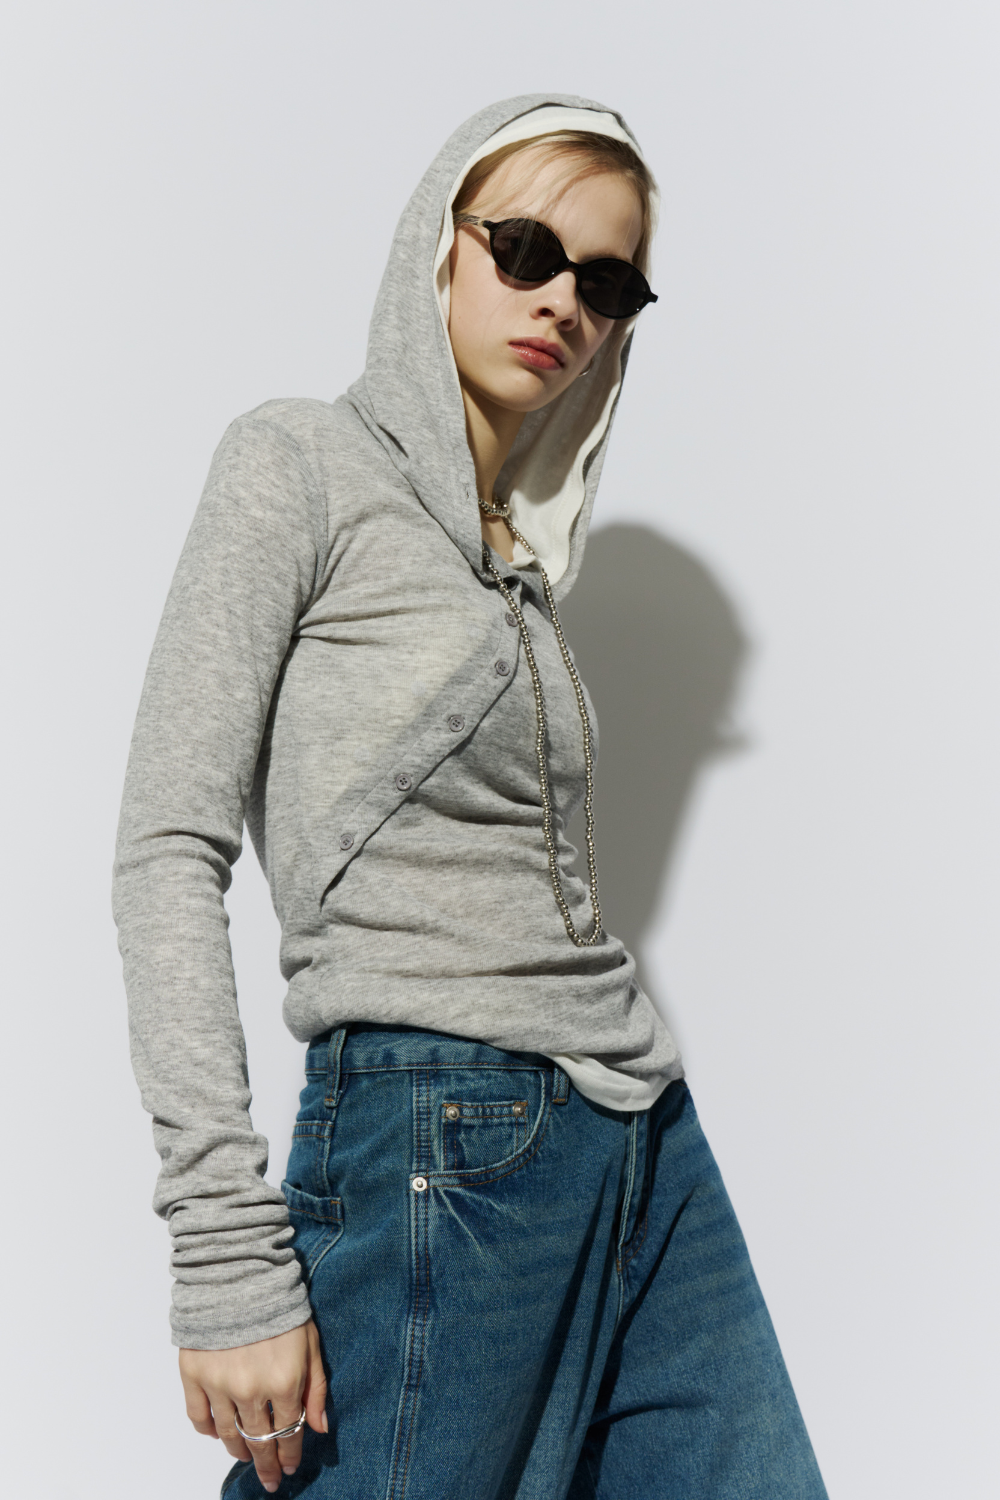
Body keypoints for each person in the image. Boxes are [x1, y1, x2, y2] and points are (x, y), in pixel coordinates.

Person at [113, 93, 828, 1499]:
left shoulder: (515, 568)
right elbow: (166, 847)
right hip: (439, 1135)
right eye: (528, 250)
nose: (563, 301)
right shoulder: (299, 463)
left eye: (607, 283)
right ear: (440, 244)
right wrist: (221, 1247)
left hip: (643, 1137)